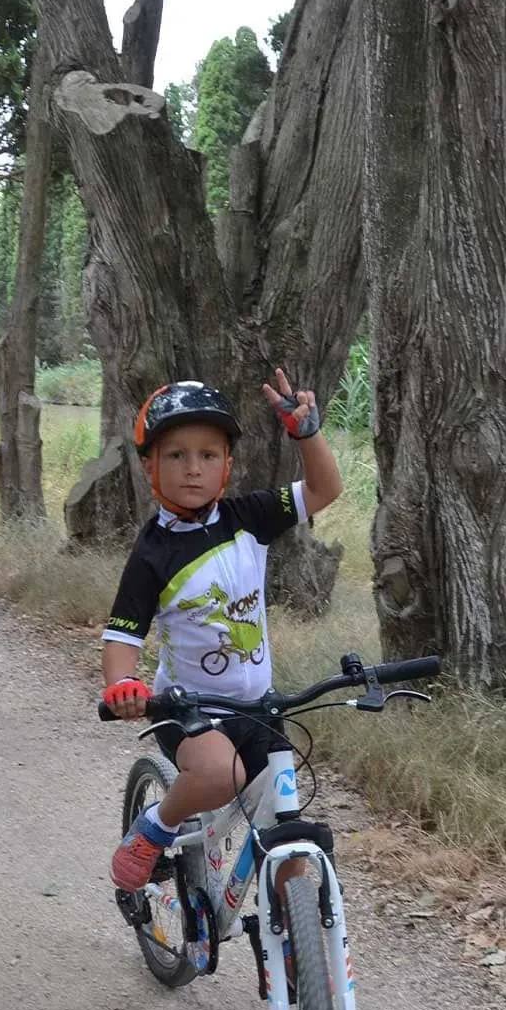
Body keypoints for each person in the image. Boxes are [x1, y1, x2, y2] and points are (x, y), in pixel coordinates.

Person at [98, 369, 341, 893]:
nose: (193, 469)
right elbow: (123, 633)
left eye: (208, 455)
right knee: (218, 776)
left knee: (286, 831)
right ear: (149, 466)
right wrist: (122, 685)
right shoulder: (152, 554)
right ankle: (155, 829)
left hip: (259, 708)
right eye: (176, 456)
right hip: (189, 711)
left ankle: (299, 959)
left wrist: (307, 433)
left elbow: (325, 489)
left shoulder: (248, 516)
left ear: (227, 465)